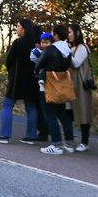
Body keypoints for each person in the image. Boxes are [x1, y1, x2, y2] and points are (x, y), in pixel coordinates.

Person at [0, 19, 39, 145]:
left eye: (18, 26)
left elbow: (9, 60)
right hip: (33, 79)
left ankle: (4, 134)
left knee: (7, 105)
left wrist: (10, 71)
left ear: (24, 28)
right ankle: (31, 136)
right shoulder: (36, 43)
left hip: (17, 78)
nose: (16, 28)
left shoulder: (18, 42)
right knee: (31, 106)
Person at [36, 26, 76, 154]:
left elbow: (38, 65)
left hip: (48, 85)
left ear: (57, 35)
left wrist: (37, 72)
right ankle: (69, 144)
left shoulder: (51, 49)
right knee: (63, 114)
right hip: (62, 85)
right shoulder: (67, 50)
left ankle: (56, 145)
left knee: (50, 115)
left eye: (53, 33)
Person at [68, 23, 95, 152]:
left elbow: (76, 63)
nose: (68, 35)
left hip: (80, 83)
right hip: (69, 83)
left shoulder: (82, 47)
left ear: (77, 32)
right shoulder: (70, 47)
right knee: (68, 112)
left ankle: (85, 141)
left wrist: (65, 51)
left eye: (69, 32)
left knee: (83, 111)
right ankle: (69, 139)